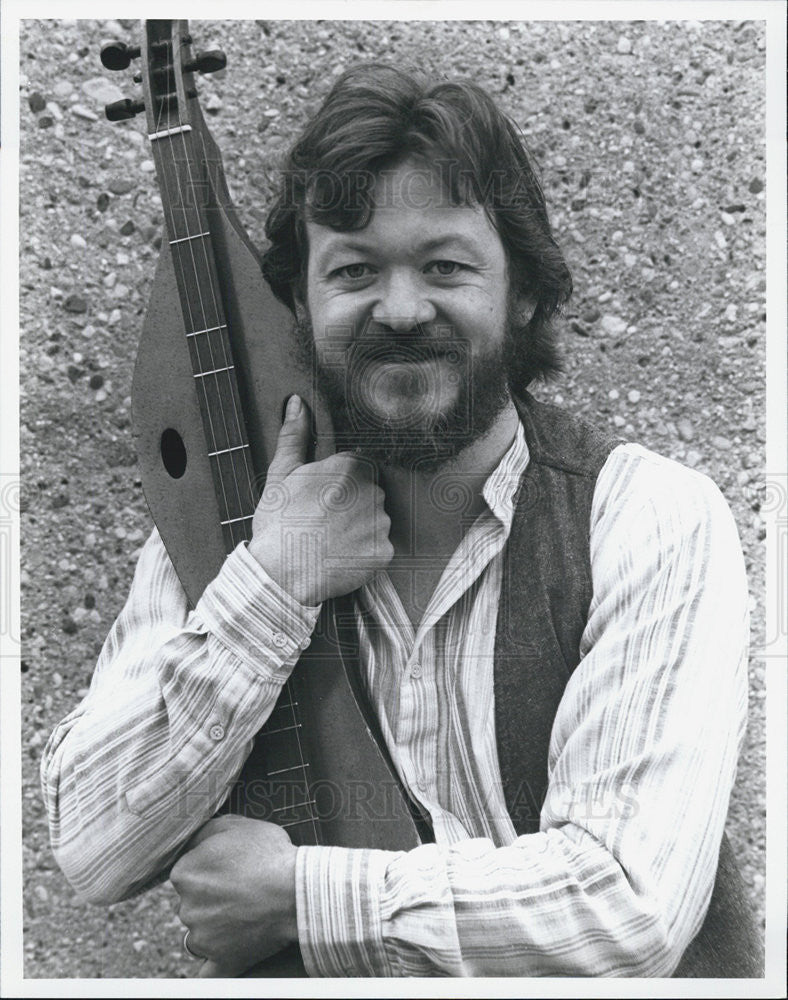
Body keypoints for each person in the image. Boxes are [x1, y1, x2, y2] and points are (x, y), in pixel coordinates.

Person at [42, 64, 758, 978]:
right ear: (301, 305)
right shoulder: (233, 532)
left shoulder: (647, 517)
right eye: (354, 270)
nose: (403, 309)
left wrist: (300, 895)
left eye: (446, 266)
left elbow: (626, 907)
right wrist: (273, 586)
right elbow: (95, 848)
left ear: (525, 292)